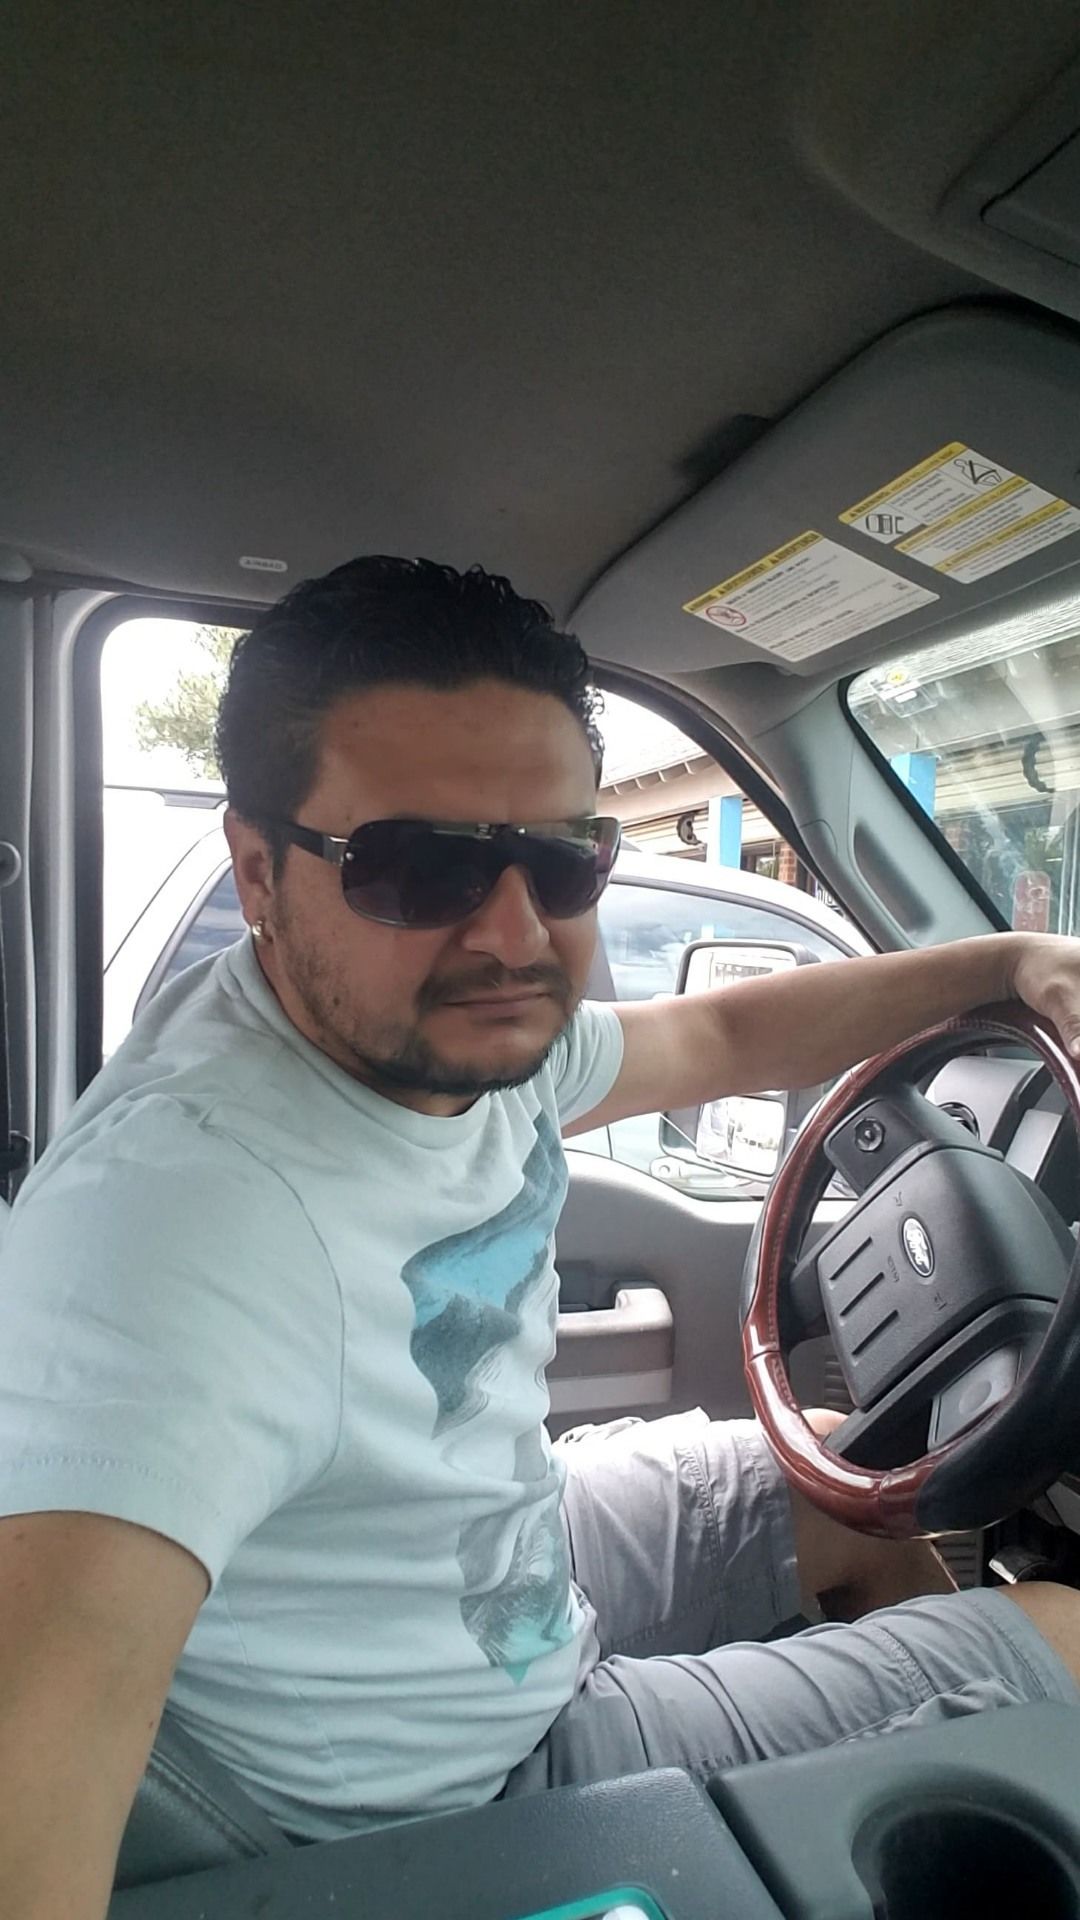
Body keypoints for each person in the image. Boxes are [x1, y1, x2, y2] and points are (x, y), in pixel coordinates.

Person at [2, 555, 1079, 1919]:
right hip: (457, 1790)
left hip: (482, 1573)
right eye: (420, 867)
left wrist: (1007, 965)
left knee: (837, 1472)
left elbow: (719, 1033)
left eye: (565, 861)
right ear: (258, 870)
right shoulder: (178, 1232)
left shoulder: (442, 1034)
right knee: (1064, 1638)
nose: (513, 934)